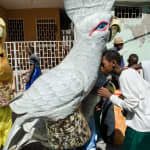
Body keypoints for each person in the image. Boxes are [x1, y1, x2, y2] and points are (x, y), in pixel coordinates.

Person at [98, 50, 150, 150]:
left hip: (139, 128)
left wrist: (110, 96)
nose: (101, 68)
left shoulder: (124, 76)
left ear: (113, 63)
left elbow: (131, 105)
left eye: (103, 64)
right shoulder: (129, 72)